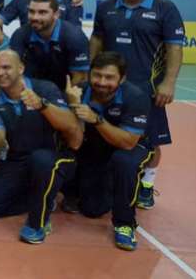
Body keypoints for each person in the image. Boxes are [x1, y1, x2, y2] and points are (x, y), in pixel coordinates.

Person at [90, 0, 184, 209]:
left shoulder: (166, 9)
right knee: (107, 136)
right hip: (109, 90)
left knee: (151, 140)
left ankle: (147, 184)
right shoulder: (107, 6)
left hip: (148, 89)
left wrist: (169, 83)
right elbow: (97, 42)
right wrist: (90, 73)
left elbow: (175, 48)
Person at [0, 50, 83, 244]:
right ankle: (43, 198)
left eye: (6, 67)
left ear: (21, 69)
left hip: (54, 158)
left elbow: (71, 127)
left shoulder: (45, 88)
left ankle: (37, 222)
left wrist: (41, 105)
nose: (0, 72)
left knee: (41, 159)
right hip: (18, 160)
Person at [65, 52, 153, 251]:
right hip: (97, 147)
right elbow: (74, 141)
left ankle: (124, 224)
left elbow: (128, 142)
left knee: (125, 162)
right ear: (89, 74)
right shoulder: (78, 92)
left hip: (132, 146)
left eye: (109, 77)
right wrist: (73, 108)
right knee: (92, 209)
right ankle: (75, 190)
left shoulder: (136, 97)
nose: (102, 82)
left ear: (122, 79)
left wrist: (96, 119)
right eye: (97, 75)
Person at [9, 0, 89, 91]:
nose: (35, 17)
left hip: (66, 87)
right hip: (32, 87)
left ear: (56, 14)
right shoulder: (20, 34)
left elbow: (80, 77)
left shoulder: (74, 36)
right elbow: (11, 70)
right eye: (31, 11)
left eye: (42, 12)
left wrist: (66, 101)